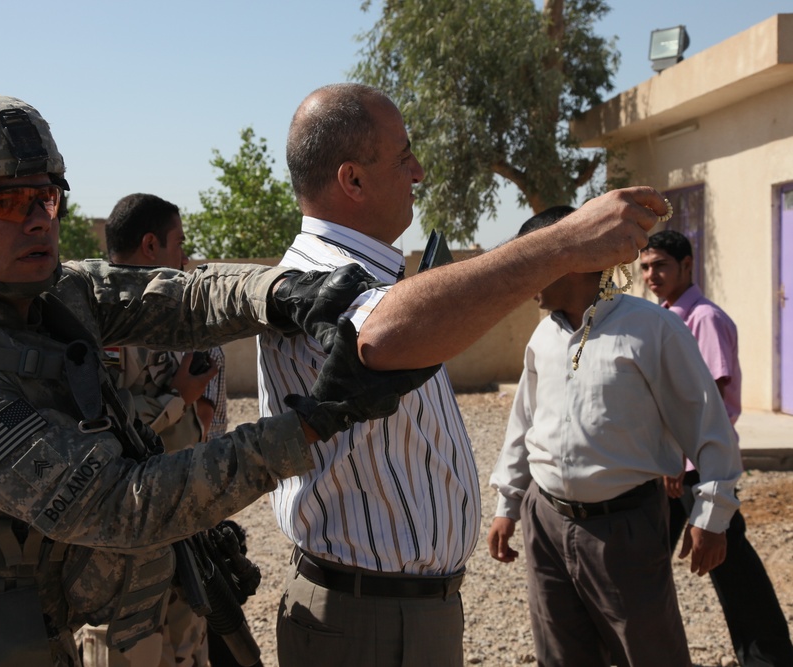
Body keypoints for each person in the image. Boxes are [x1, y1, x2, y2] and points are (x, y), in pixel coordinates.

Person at [0, 92, 431, 667]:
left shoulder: (42, 293)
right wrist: (314, 421)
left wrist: (283, 293)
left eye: (48, 198)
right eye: (8, 203)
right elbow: (124, 504)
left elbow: (180, 298)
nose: (39, 221)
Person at [256, 82, 670, 667]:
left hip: (400, 612)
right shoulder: (315, 276)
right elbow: (376, 335)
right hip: (365, 621)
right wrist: (564, 243)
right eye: (403, 158)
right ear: (352, 180)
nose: (418, 172)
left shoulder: (373, 276)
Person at [487, 206, 744, 667]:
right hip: (545, 524)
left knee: (648, 653)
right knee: (561, 655)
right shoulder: (542, 339)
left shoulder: (652, 330)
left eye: (532, 262)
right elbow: (523, 426)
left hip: (624, 529)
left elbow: (708, 425)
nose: (522, 278)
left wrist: (712, 514)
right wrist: (508, 504)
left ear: (573, 259)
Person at [76, 192, 226, 667]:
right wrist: (175, 398)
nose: (185, 255)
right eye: (178, 242)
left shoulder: (168, 311)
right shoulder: (96, 318)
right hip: (123, 543)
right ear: (149, 245)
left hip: (181, 521)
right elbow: (102, 427)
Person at [641, 230, 793, 667]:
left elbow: (707, 405)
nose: (652, 275)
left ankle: (769, 657)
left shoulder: (702, 319)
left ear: (688, 266)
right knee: (645, 563)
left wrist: (679, 458)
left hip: (698, 468)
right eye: (646, 267)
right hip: (674, 467)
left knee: (732, 567)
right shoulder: (665, 316)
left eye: (662, 266)